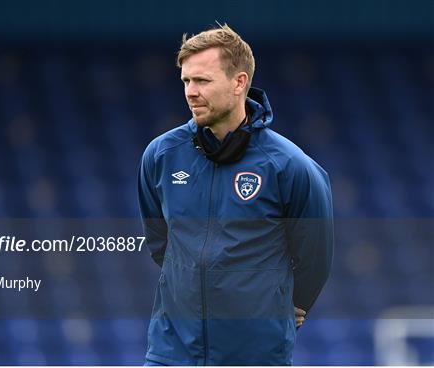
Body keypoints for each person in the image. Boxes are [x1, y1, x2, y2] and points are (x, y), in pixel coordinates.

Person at [137, 24, 333, 365]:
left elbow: (314, 256)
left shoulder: (289, 165)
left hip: (254, 354)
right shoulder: (161, 155)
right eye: (186, 81)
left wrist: (279, 305)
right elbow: (160, 242)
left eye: (202, 81)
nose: (190, 92)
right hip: (171, 352)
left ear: (239, 82)